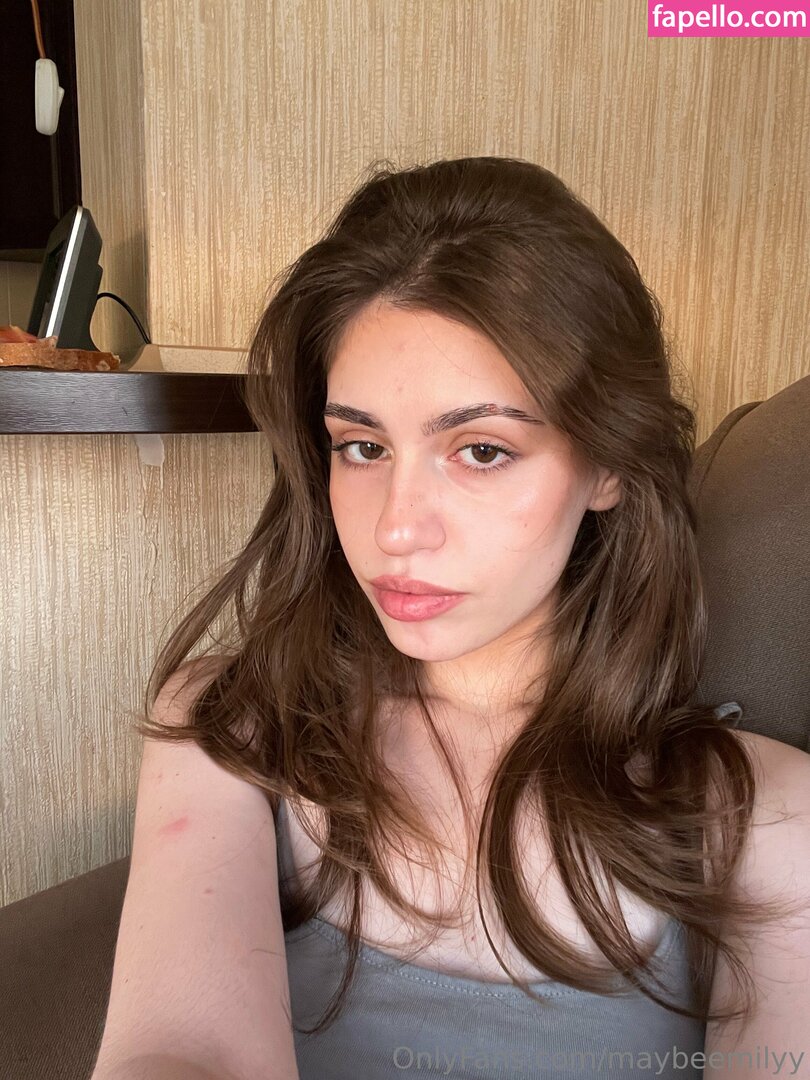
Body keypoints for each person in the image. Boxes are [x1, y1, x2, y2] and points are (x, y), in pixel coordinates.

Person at [90, 157, 810, 1080]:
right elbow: (184, 1052)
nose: (395, 528)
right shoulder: (231, 727)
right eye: (362, 445)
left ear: (608, 465)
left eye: (481, 450)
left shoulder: (763, 815)